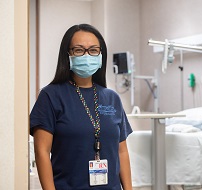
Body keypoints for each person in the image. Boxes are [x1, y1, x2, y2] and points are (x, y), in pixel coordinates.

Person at [30, 24, 133, 190]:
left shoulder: (112, 98)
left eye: (93, 50)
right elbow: (42, 152)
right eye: (79, 50)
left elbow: (122, 151)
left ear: (101, 55)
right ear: (68, 54)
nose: (87, 55)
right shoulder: (50, 96)